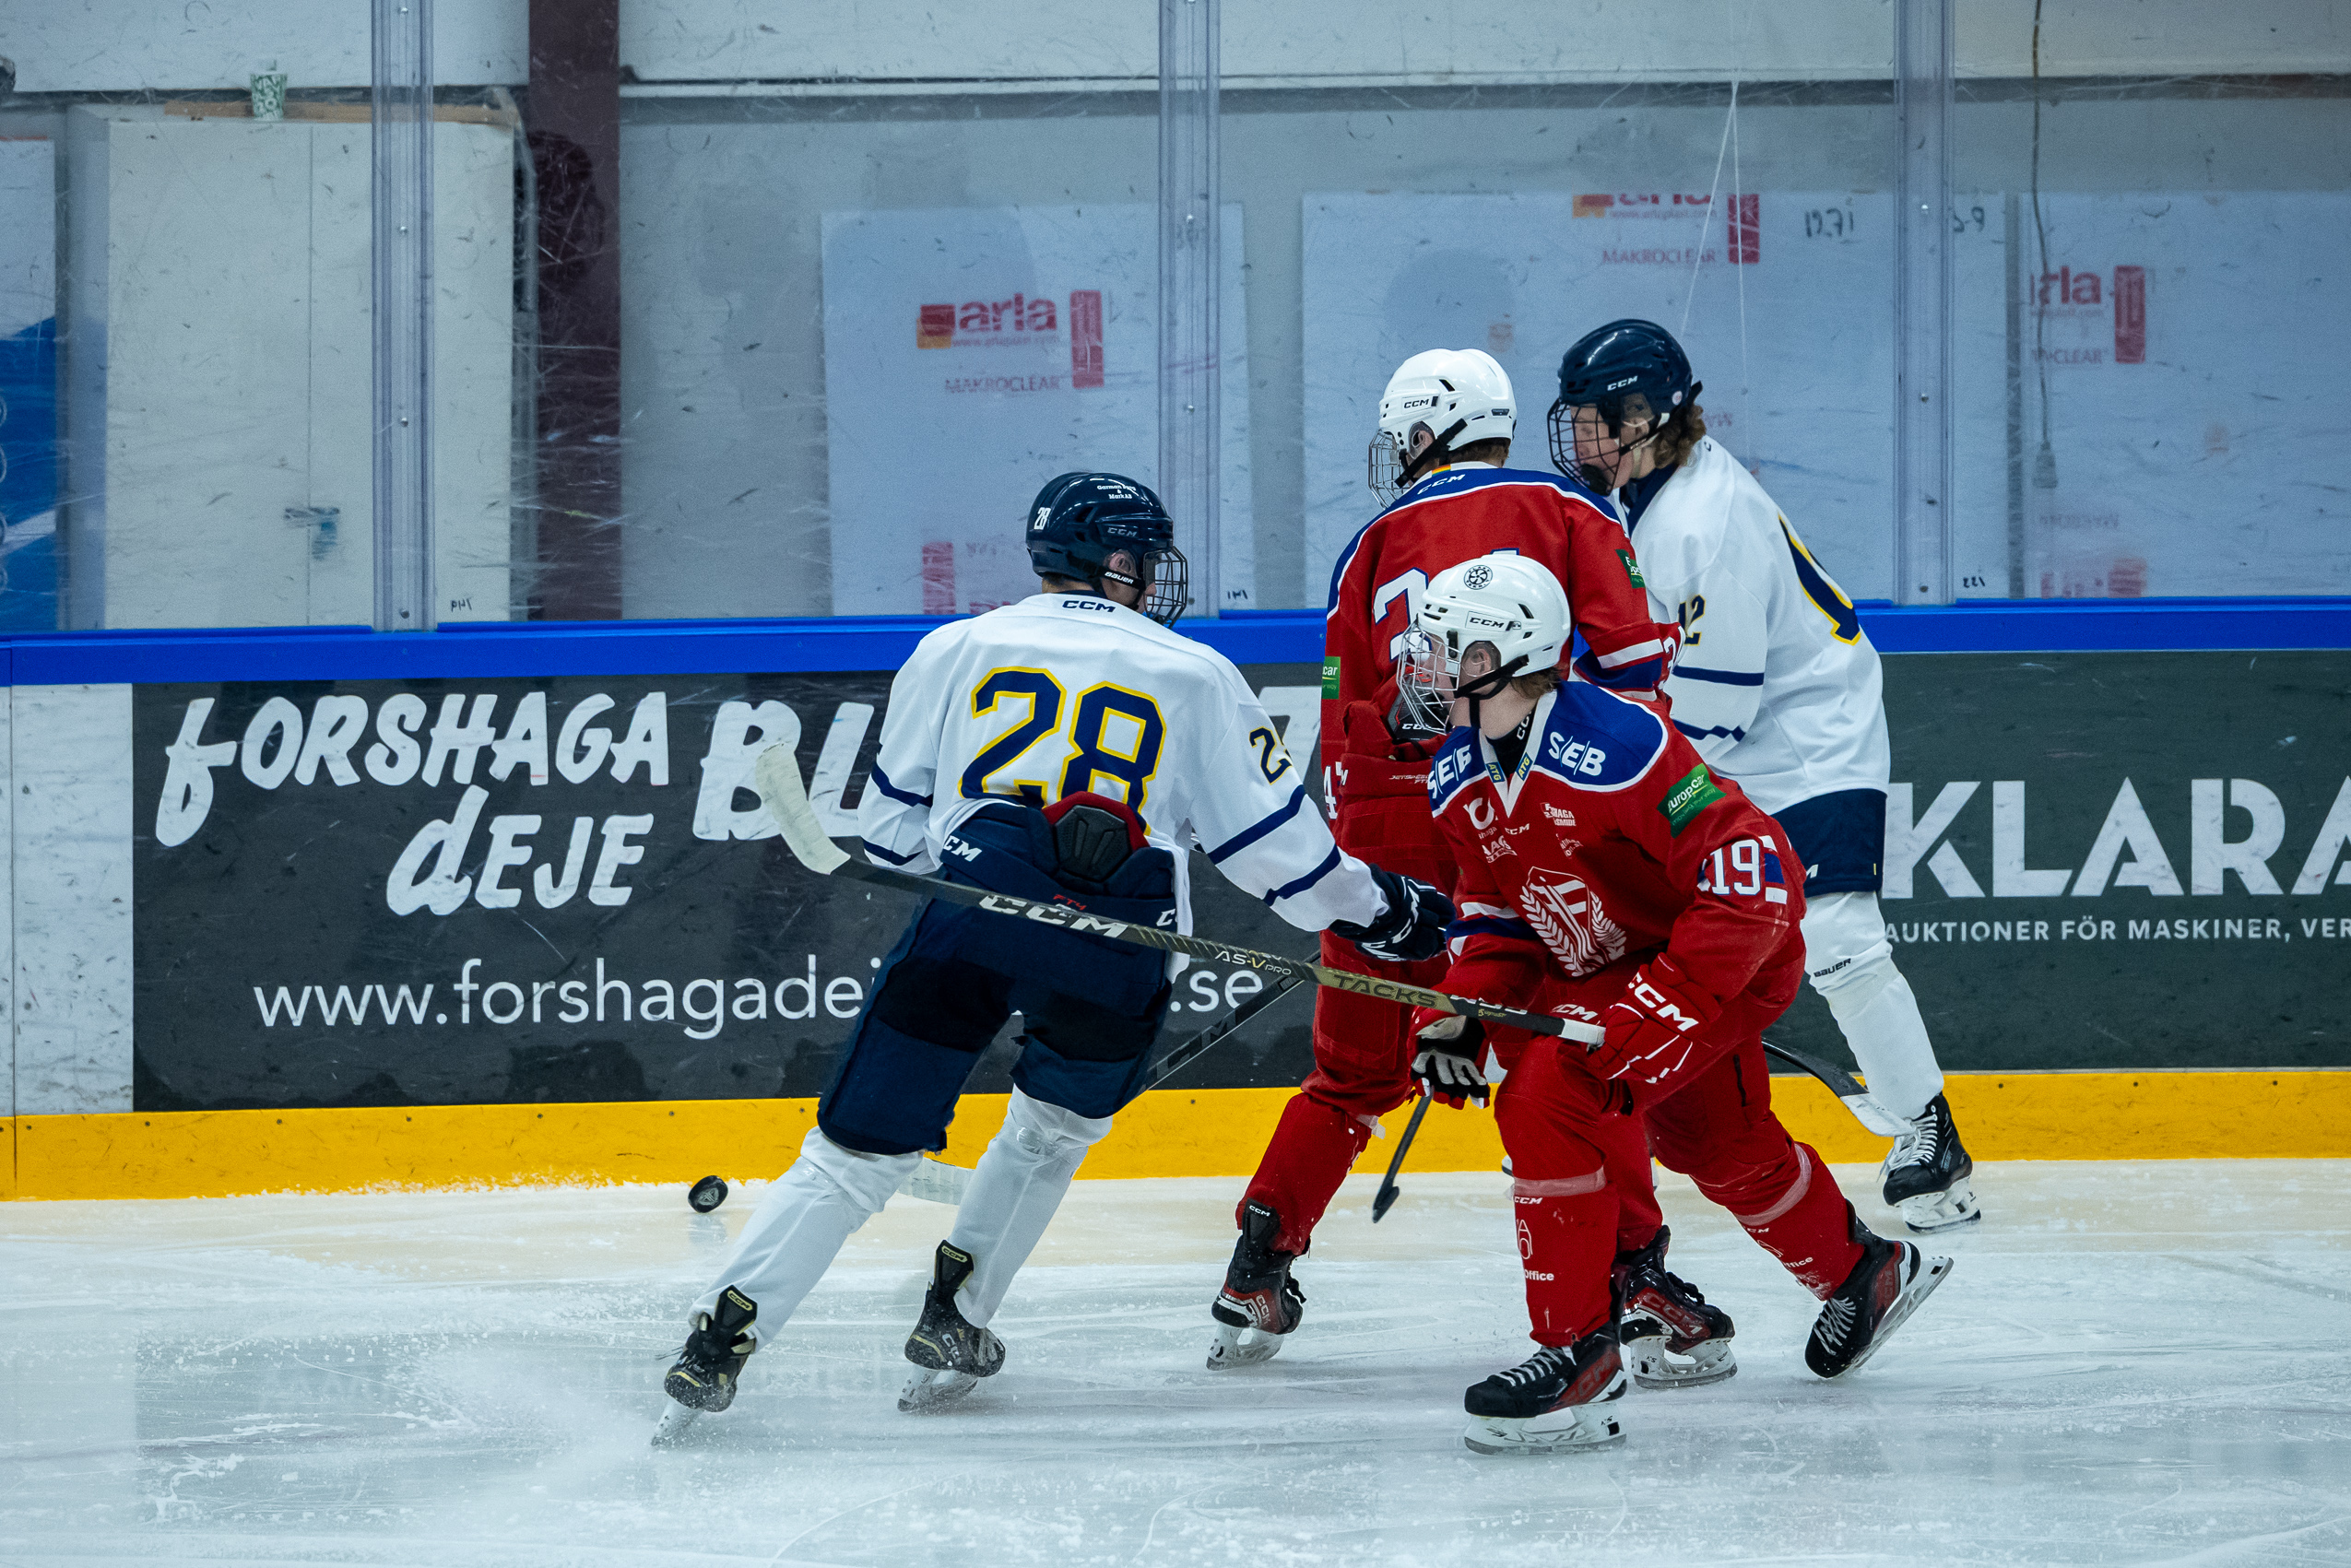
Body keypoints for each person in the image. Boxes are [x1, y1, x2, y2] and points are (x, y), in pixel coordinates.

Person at [657, 473, 1455, 1433]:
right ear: (1115, 561)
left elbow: (894, 841)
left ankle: (720, 1336)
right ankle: (956, 1314)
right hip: (1115, 950)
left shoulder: (954, 648)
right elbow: (1282, 860)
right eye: (1145, 558)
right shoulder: (1195, 672)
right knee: (1048, 1134)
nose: (1153, 576)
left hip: (969, 920)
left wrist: (995, 869)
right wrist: (1388, 913)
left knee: (853, 1155)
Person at [1211, 348, 1697, 1373]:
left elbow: (1348, 726)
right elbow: (1635, 674)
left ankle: (1258, 1262)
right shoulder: (1572, 508)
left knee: (1353, 1074)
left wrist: (1362, 876)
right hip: (1518, 816)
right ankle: (1638, 1280)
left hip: (1388, 833)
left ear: (1425, 432)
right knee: (1572, 1055)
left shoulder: (1367, 545)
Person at [1401, 555, 1953, 1455]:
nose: (1421, 666)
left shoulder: (1622, 748)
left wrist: (1663, 1004)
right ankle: (1866, 1271)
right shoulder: (1457, 773)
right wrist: (1463, 1012)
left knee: (1549, 1095)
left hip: (1724, 956)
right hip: (1617, 968)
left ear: (1503, 657)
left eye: (1445, 648)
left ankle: (1579, 1357)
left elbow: (1752, 876)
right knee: (1717, 1143)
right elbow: (1498, 910)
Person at [1549, 319, 1981, 1234]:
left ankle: (1928, 1131)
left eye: (1596, 420)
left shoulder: (1700, 523)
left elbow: (1713, 711)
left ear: (1647, 416)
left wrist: (1609, 786)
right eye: (1576, 419)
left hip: (1811, 739)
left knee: (1838, 935)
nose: (1581, 439)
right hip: (1741, 737)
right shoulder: (1644, 497)